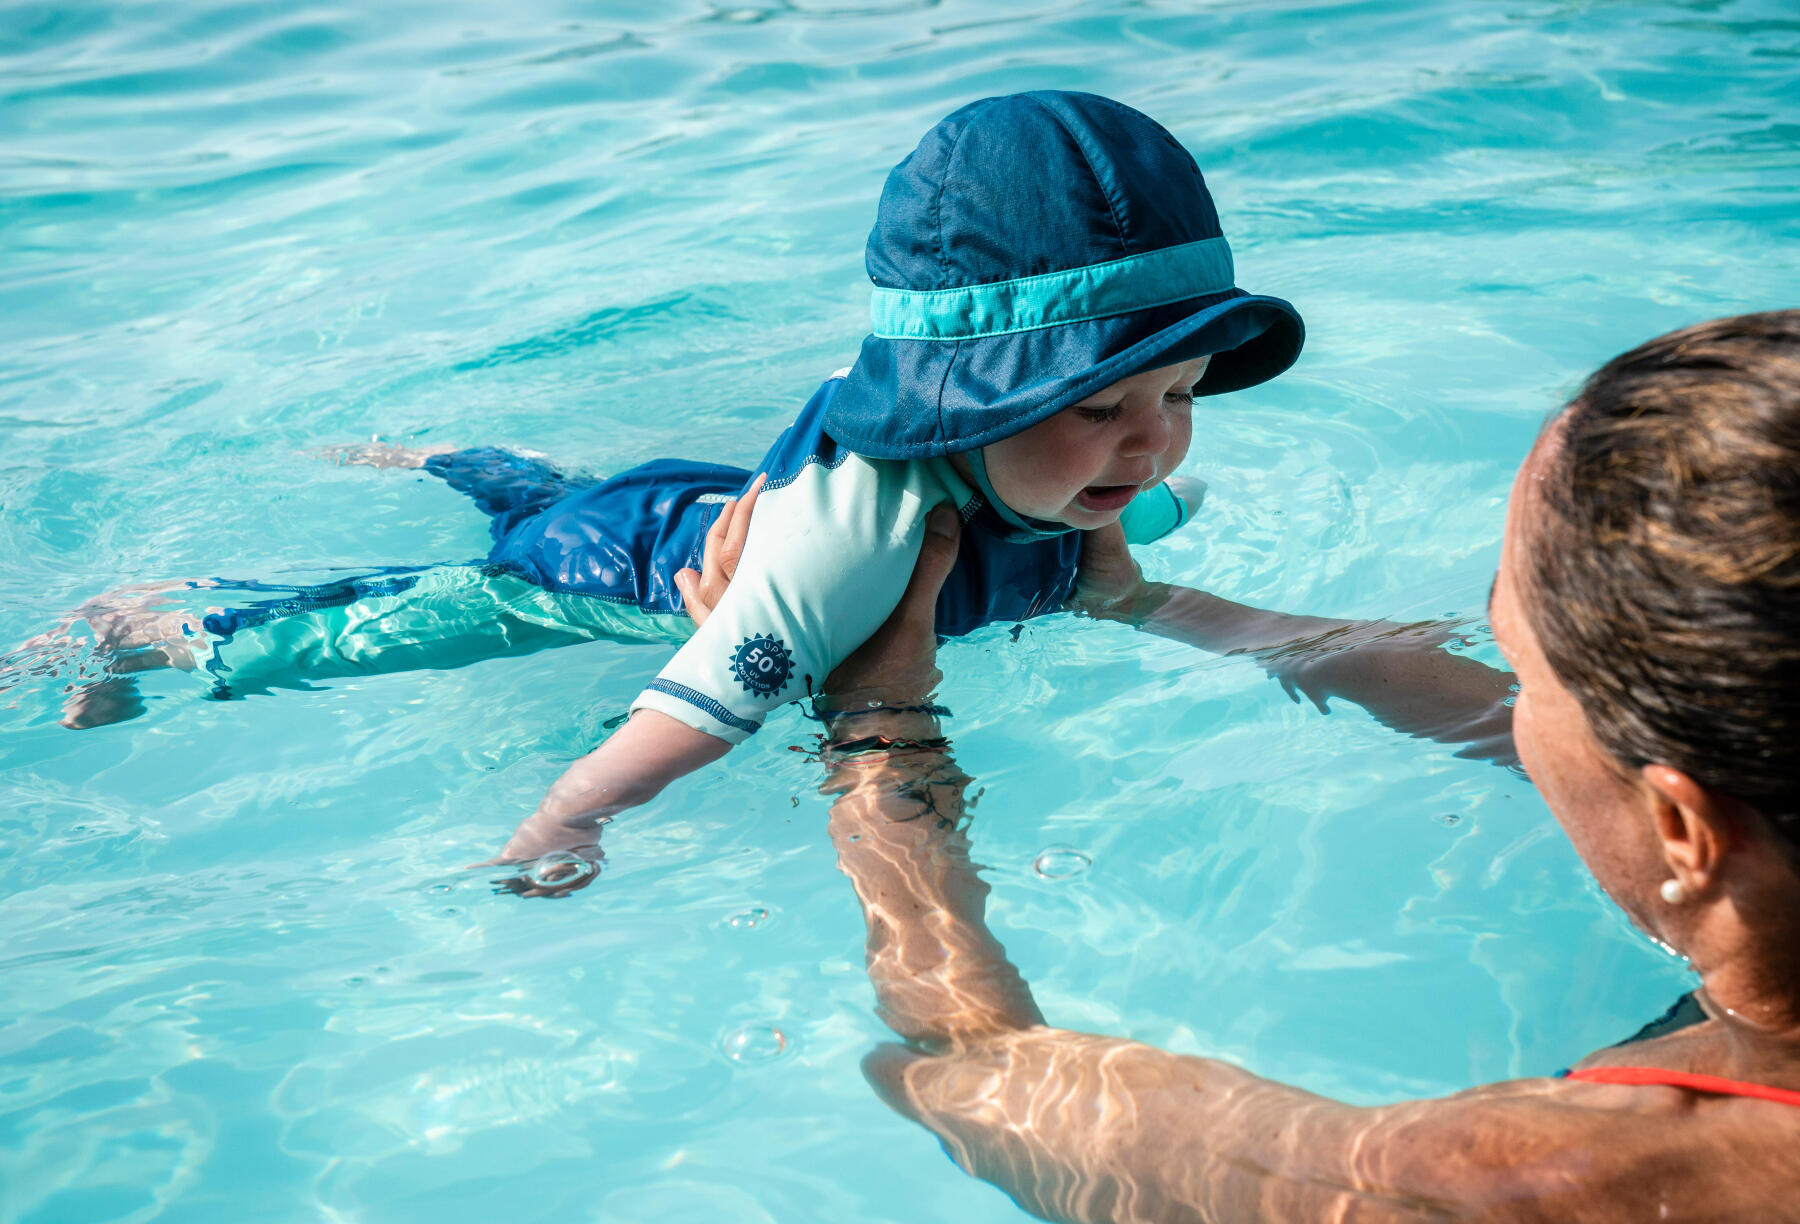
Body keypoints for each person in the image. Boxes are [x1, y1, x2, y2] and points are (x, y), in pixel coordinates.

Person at [18, 91, 1305, 889]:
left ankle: (443, 454)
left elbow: (1147, 549)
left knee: (543, 490)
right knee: (410, 615)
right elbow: (696, 709)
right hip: (612, 574)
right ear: (971, 404)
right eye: (1101, 407)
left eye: (1182, 394)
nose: (1151, 447)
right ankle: (146, 622)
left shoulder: (1097, 492)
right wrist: (570, 823)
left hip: (688, 505)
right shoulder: (850, 545)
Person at [686, 312, 1800, 1220]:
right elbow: (1511, 729)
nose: (1507, 701)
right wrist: (1145, 604)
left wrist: (876, 715)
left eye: (1513, 654)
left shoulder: (1540, 1185)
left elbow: (963, 1069)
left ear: (1687, 835)